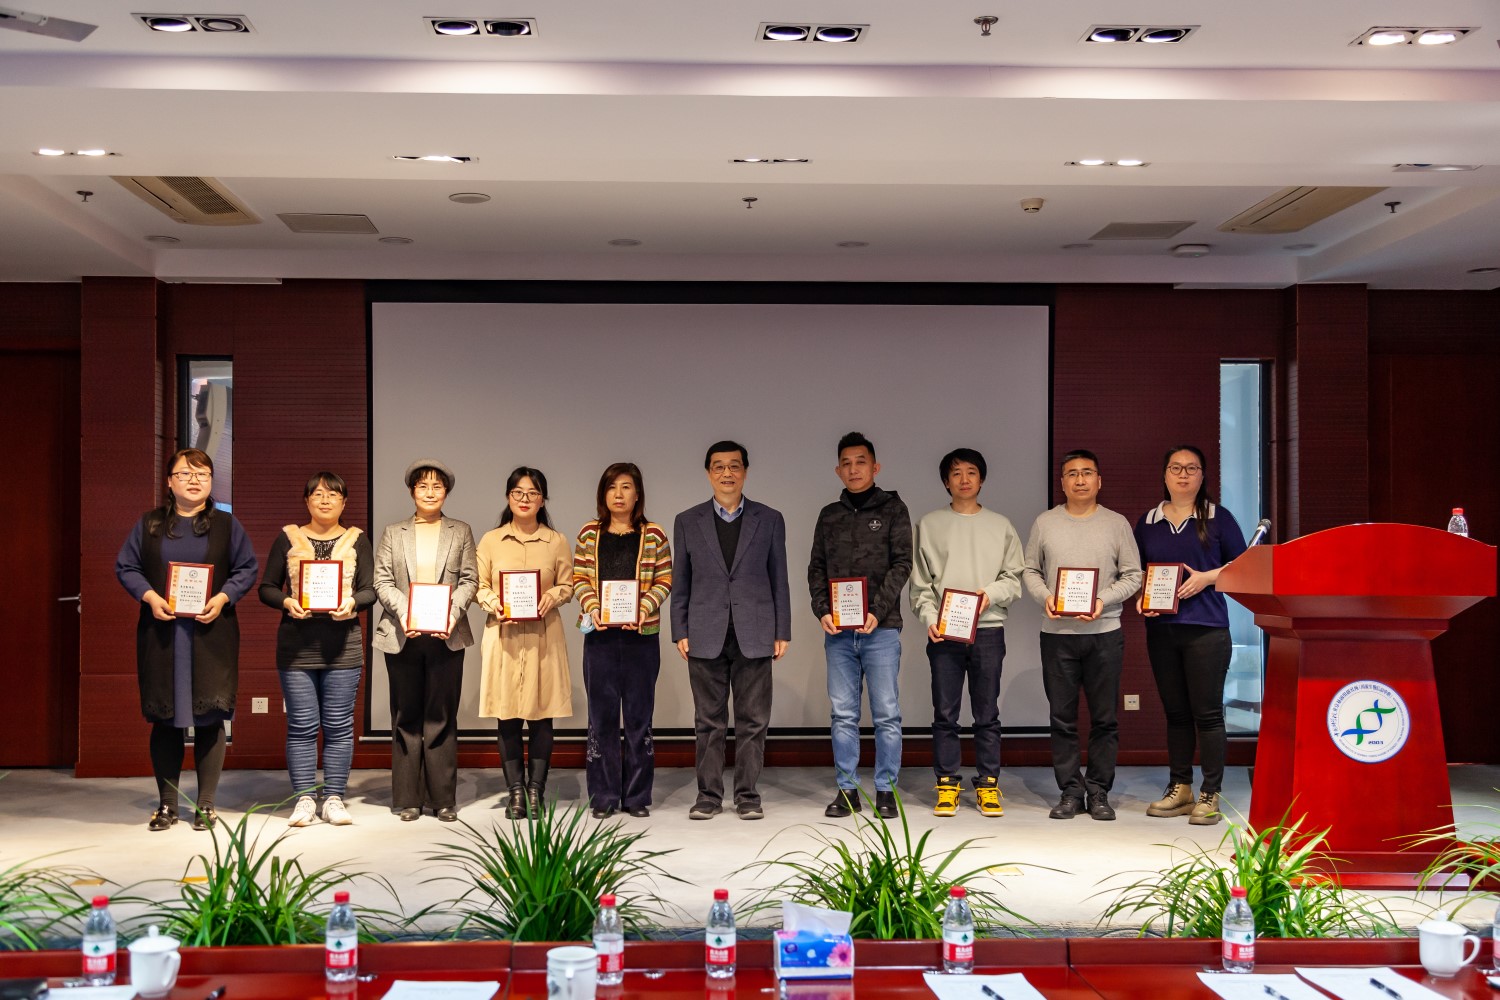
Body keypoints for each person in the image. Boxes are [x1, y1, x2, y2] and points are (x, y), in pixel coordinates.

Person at [115, 448, 258, 832]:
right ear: (169, 481)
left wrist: (224, 597)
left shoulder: (227, 525)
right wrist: (149, 596)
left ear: (211, 482)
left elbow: (247, 568)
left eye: (202, 475)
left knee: (210, 719)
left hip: (211, 633)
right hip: (162, 634)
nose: (194, 481)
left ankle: (206, 805)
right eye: (185, 474)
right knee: (165, 721)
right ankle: (167, 805)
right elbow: (126, 566)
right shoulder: (149, 524)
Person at [670, 440, 791, 821]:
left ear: (745, 472)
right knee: (709, 721)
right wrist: (679, 628)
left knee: (753, 720)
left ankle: (747, 795)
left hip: (755, 630)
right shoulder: (687, 521)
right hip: (704, 631)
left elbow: (779, 578)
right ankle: (708, 795)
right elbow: (680, 581)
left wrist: (782, 629)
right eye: (719, 466)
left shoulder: (769, 519)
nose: (727, 473)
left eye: (734, 466)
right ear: (709, 473)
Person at [1023, 449, 1143, 821]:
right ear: (1062, 482)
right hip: (1057, 635)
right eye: (1072, 474)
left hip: (1104, 633)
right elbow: (1030, 570)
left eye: (1087, 472)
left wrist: (1102, 600)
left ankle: (1099, 791)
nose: (1080, 480)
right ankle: (1071, 792)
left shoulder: (1116, 524)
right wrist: (1045, 597)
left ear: (1099, 480)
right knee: (1062, 718)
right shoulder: (1045, 523)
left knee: (1105, 718)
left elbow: (1133, 575)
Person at [1134, 445, 1248, 826]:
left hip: (1207, 630)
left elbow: (1244, 565)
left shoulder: (1218, 518)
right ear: (1164, 475)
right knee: (1176, 713)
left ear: (1202, 476)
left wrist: (1207, 578)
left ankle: (1210, 792)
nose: (1183, 474)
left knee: (1208, 714)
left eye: (1191, 468)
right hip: (1162, 630)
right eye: (1176, 468)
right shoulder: (1147, 522)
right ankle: (1180, 787)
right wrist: (1142, 599)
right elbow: (1138, 572)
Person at [908, 447, 1024, 818]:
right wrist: (930, 618)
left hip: (987, 629)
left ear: (981, 479)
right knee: (945, 712)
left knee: (987, 712)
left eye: (971, 472)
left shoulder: (1001, 525)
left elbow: (1014, 577)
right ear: (946, 481)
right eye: (956, 473)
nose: (964, 479)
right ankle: (947, 784)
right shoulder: (928, 524)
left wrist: (988, 595)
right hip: (945, 631)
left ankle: (988, 784)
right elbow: (920, 583)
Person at [257, 472, 375, 827]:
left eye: (333, 494)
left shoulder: (357, 540)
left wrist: (353, 602)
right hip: (297, 647)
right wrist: (286, 601)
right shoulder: (288, 537)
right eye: (318, 494)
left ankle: (334, 798)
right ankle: (305, 799)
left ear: (344, 502)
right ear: (306, 500)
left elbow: (369, 590)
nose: (325, 500)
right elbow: (266, 587)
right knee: (302, 726)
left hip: (343, 646)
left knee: (339, 725)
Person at [808, 432, 912, 820]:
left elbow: (902, 563)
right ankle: (847, 789)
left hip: (880, 630)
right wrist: (822, 610)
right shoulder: (829, 515)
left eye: (861, 462)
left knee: (886, 714)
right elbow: (816, 568)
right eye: (846, 464)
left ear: (875, 467)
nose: (854, 469)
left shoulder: (894, 509)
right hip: (838, 632)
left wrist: (878, 611)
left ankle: (886, 790)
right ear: (838, 470)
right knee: (843, 714)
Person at [372, 459, 478, 823]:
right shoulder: (393, 532)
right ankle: (409, 799)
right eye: (423, 486)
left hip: (447, 633)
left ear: (446, 492)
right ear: (412, 491)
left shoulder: (460, 531)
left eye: (437, 486)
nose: (430, 492)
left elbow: (470, 580)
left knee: (441, 716)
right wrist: (406, 613)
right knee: (406, 716)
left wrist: (451, 614)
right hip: (403, 633)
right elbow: (382, 581)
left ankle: (442, 799)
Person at [572, 463, 672, 819]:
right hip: (599, 638)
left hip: (640, 639)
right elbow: (579, 577)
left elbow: (664, 579)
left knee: (639, 719)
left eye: (626, 486)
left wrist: (643, 608)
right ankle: (603, 796)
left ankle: (636, 797)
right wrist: (593, 607)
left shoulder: (653, 534)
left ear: (637, 493)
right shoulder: (589, 533)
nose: (619, 494)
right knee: (600, 719)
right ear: (603, 493)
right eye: (612, 487)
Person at [476, 467, 575, 820]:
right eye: (518, 492)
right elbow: (479, 586)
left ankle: (536, 791)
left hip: (543, 636)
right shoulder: (491, 540)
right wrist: (494, 603)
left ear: (542, 500)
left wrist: (553, 595)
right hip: (503, 636)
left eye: (533, 493)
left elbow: (569, 584)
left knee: (542, 716)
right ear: (508, 497)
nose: (525, 499)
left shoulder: (556, 541)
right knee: (507, 716)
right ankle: (515, 792)